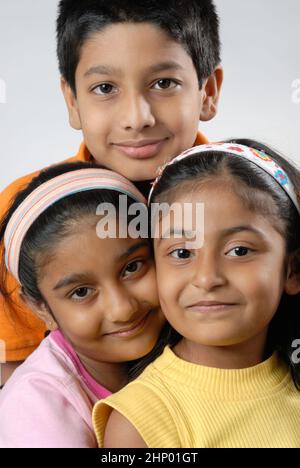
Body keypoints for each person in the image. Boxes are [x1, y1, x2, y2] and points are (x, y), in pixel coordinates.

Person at [0, 0, 223, 377]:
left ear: (208, 92)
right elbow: (16, 376)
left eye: (164, 83)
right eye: (105, 87)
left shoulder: (254, 199)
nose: (137, 118)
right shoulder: (22, 220)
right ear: (72, 100)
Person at [93, 140, 300, 448]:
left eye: (239, 250)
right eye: (181, 253)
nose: (206, 278)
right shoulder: (140, 422)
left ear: (292, 270)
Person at [0, 162, 165, 448]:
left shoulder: (194, 337)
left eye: (133, 267)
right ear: (41, 309)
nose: (122, 309)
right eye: (81, 292)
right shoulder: (35, 403)